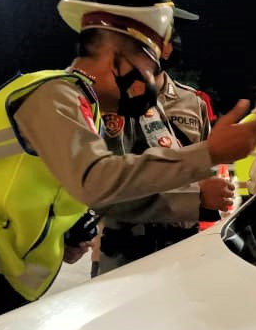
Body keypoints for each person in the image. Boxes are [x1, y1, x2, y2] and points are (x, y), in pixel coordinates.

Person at [0, 0, 256, 330]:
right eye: (148, 62)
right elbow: (94, 178)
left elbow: (65, 187)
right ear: (118, 59)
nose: (153, 80)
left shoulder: (82, 106)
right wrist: (209, 154)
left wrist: (72, 227)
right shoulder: (51, 92)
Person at [92, 26, 232, 277]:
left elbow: (203, 172)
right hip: (125, 256)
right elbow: (108, 188)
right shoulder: (109, 103)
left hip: (184, 252)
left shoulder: (193, 102)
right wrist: (197, 197)